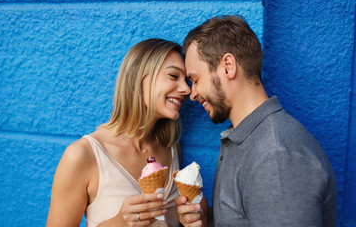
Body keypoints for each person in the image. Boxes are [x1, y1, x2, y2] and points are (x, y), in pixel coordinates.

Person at [175, 15, 337, 227]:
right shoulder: (247, 138)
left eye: (195, 80)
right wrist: (209, 220)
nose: (192, 93)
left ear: (228, 66)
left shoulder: (274, 159)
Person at [46, 38, 191, 227]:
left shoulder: (172, 148)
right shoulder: (83, 154)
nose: (186, 89)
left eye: (187, 80)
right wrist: (119, 222)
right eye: (173, 76)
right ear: (139, 77)